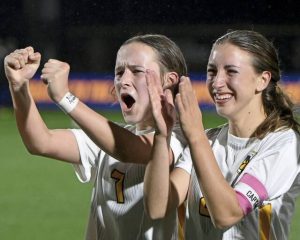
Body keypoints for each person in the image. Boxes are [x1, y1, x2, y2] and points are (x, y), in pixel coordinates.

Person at [4, 34, 188, 239]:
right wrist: (19, 86)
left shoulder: (181, 141)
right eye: (119, 72)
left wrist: (66, 98)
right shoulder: (110, 137)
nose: (123, 81)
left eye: (136, 71)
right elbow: (41, 142)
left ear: (169, 80)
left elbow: (129, 149)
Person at [144, 30, 300, 239]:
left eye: (231, 71)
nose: (217, 83)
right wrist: (161, 137)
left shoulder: (283, 144)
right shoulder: (208, 140)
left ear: (262, 80)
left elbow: (227, 214)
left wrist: (196, 135)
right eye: (212, 71)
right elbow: (158, 207)